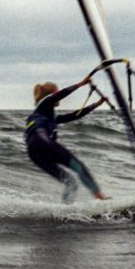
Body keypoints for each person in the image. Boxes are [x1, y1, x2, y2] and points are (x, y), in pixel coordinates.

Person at [25, 73, 109, 203]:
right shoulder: (46, 103)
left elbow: (73, 116)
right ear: (52, 93)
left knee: (71, 183)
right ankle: (100, 197)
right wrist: (81, 84)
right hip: (42, 141)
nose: (59, 99)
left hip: (34, 152)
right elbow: (59, 95)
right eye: (56, 94)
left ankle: (65, 210)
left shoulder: (46, 115)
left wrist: (96, 104)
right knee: (78, 167)